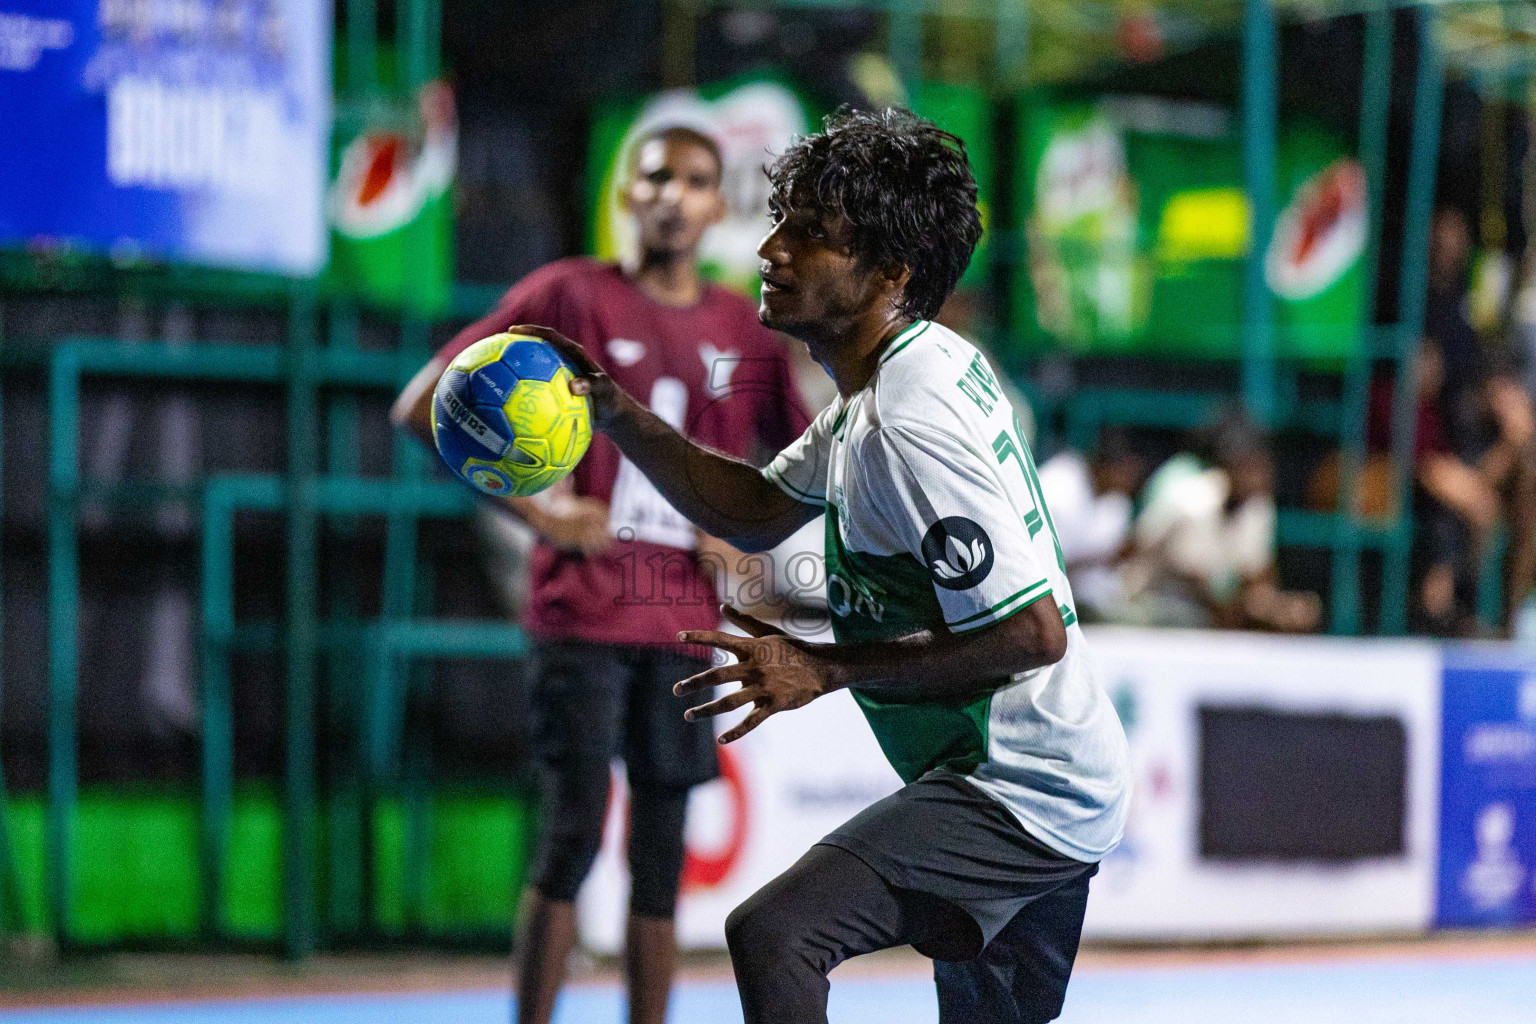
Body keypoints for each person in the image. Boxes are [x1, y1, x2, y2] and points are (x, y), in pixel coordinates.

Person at [521, 108, 1131, 1024]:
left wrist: (824, 669)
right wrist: (618, 413)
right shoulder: (886, 386)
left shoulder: (906, 420)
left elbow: (1032, 633)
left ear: (892, 273)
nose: (770, 247)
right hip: (1021, 778)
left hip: (1024, 792)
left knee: (778, 933)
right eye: (782, 222)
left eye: (810, 233)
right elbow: (754, 508)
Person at [391, 125, 805, 1024]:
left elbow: (808, 462)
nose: (673, 195)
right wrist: (540, 511)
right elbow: (423, 404)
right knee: (571, 836)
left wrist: (742, 539)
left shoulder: (745, 327)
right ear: (627, 191)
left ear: (717, 205)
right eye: (656, 175)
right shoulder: (568, 295)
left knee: (660, 858)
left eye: (695, 180)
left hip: (685, 627)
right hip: (582, 618)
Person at [1115, 413, 1320, 632]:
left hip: (1203, 611)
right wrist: (1259, 609)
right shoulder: (1195, 500)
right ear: (1230, 468)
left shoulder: (1258, 508)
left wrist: (1282, 608)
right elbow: (1200, 587)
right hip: (1155, 603)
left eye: (1262, 467)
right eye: (1249, 467)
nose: (1258, 477)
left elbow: (1256, 578)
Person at [1037, 428, 1145, 621]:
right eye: (1125, 471)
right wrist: (1104, 557)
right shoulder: (1057, 486)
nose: (1130, 481)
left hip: (1099, 603)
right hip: (1050, 603)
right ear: (1106, 466)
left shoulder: (1118, 502)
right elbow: (1043, 568)